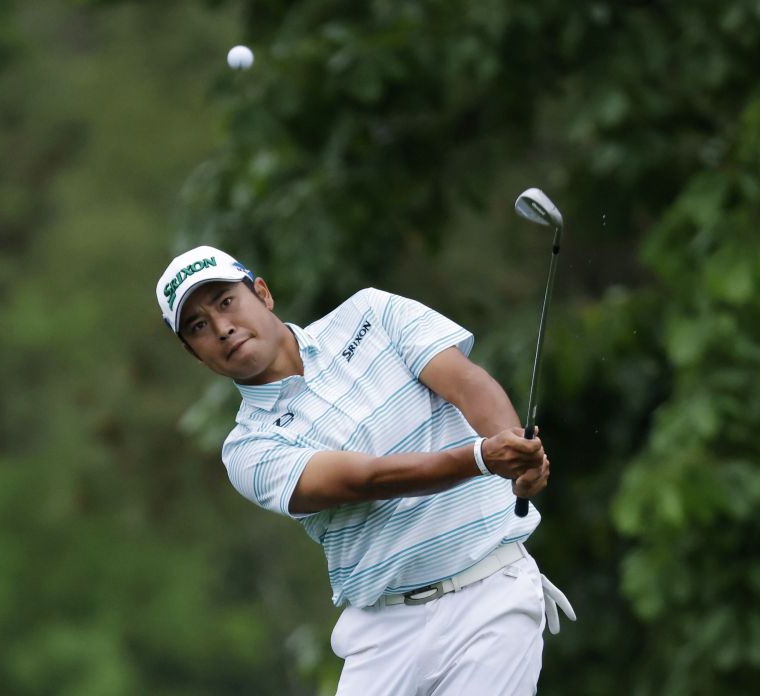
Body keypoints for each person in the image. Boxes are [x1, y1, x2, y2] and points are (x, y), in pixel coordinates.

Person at [156, 245, 575, 695]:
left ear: (262, 293)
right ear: (195, 353)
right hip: (383, 631)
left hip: (491, 592)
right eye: (198, 326)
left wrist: (515, 455)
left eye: (225, 302)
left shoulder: (369, 313)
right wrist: (483, 459)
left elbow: (466, 383)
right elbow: (366, 480)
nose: (222, 328)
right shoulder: (247, 449)